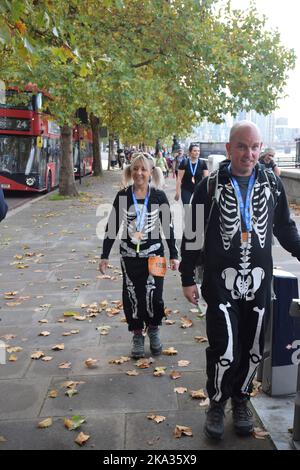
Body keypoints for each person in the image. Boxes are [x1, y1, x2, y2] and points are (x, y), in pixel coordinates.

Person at [180, 121, 300, 441]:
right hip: (220, 281)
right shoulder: (210, 185)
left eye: (255, 147)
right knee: (225, 347)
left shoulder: (272, 184)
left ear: (261, 149)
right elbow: (192, 234)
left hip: (259, 282)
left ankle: (241, 398)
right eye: (243, 146)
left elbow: (285, 228)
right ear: (228, 148)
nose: (250, 153)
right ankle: (217, 402)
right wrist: (187, 277)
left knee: (253, 349)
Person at [99, 153, 179, 359]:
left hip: (156, 255)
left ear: (151, 172)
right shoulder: (123, 196)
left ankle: (153, 330)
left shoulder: (159, 196)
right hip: (129, 256)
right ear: (131, 171)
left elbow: (168, 227)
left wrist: (174, 254)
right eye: (136, 168)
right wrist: (104, 255)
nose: (139, 173)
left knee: (156, 295)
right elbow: (112, 226)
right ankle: (136, 334)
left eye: (144, 169)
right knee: (132, 296)